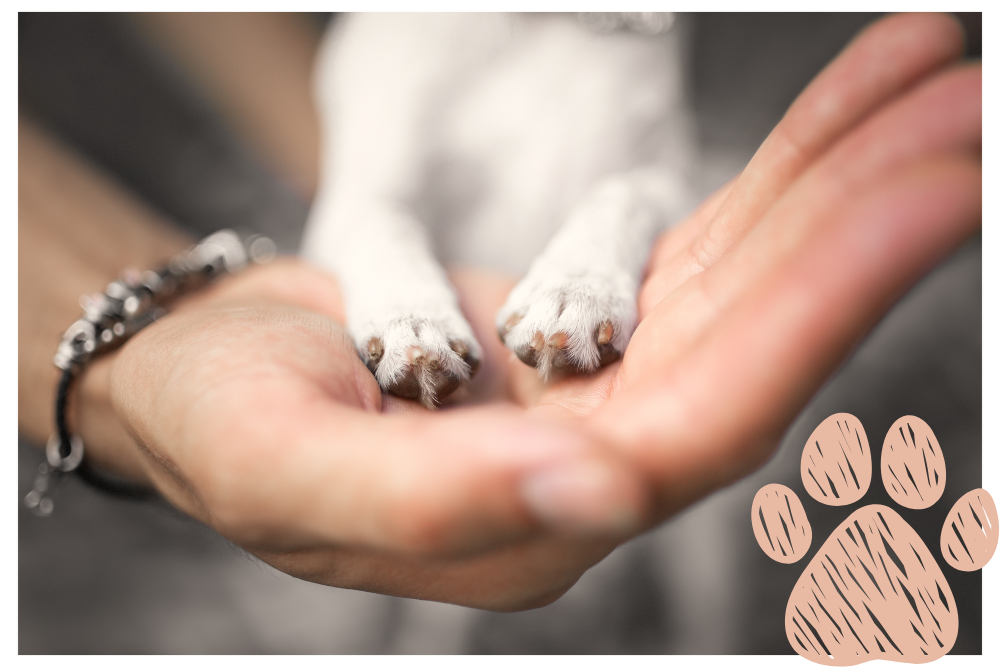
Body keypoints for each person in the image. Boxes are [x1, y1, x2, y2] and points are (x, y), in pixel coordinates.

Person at [19, 12, 980, 615]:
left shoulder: (640, 28)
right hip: (456, 302)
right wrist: (390, 288)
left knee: (701, 544)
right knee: (409, 586)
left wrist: (603, 242)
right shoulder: (401, 40)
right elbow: (363, 197)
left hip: (595, 310)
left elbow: (644, 177)